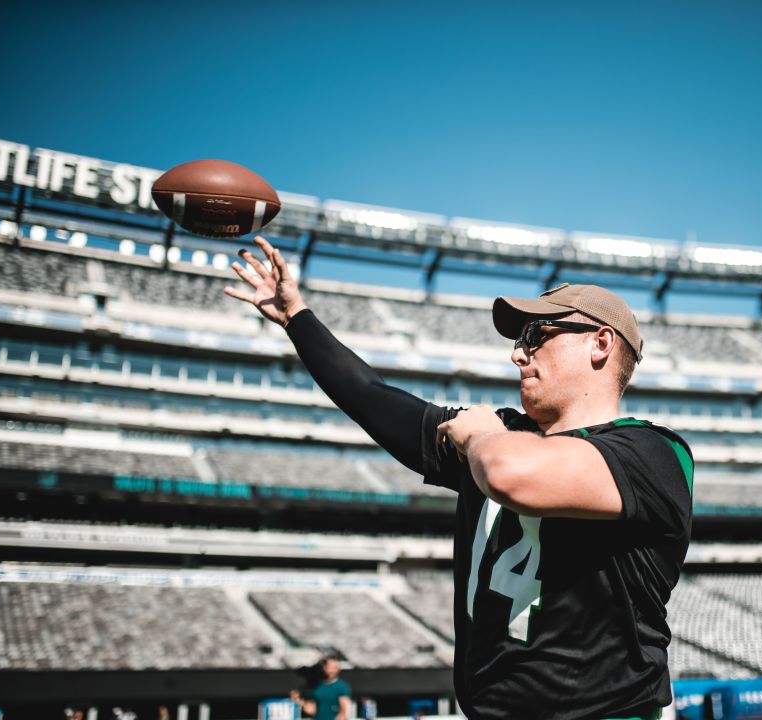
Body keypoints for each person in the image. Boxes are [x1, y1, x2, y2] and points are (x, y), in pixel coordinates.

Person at [230, 237, 693, 720]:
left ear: (600, 343)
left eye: (537, 336)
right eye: (520, 340)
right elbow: (373, 398)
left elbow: (513, 474)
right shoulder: (499, 435)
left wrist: (479, 438)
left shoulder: (652, 453)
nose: (518, 354)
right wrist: (296, 319)